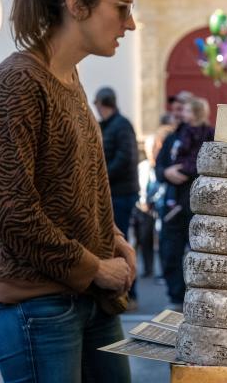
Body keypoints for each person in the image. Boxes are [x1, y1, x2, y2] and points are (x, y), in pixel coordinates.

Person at [0, 0, 136, 382]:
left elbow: (72, 188)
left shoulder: (69, 78)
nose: (130, 23)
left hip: (87, 299)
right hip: (39, 307)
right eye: (121, 7)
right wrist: (95, 266)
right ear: (76, 5)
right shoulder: (17, 84)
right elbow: (13, 213)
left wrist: (114, 238)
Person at [155, 96, 214, 309]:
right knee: (170, 251)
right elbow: (160, 167)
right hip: (174, 203)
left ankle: (201, 297)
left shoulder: (210, 134)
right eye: (178, 109)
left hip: (199, 204)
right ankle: (176, 297)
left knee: (203, 252)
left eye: (185, 109)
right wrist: (167, 172)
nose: (180, 113)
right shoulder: (174, 137)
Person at [94, 86, 140, 308]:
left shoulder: (121, 126)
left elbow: (124, 158)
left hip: (121, 193)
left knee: (120, 245)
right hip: (114, 191)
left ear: (102, 104)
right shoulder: (108, 126)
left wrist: (100, 176)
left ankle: (130, 293)